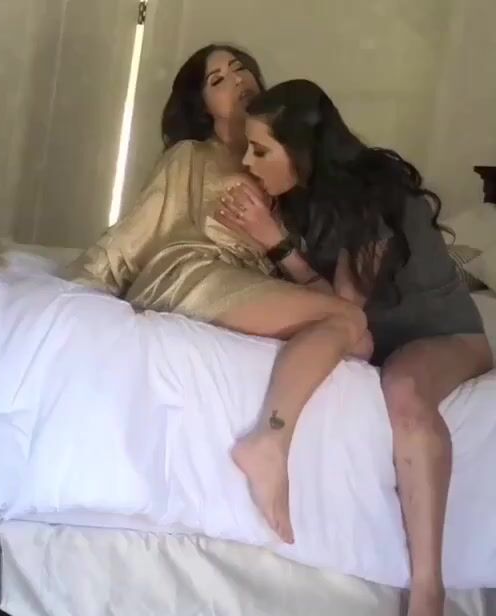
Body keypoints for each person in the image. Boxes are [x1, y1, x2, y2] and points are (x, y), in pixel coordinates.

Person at [66, 45, 372, 545]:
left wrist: (275, 236)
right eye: (217, 79)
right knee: (349, 323)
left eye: (241, 68)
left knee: (357, 338)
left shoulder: (283, 167)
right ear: (203, 105)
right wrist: (75, 291)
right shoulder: (190, 157)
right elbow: (133, 235)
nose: (237, 79)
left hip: (251, 283)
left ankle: (268, 443)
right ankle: (268, 444)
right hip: (189, 273)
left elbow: (310, 270)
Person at [217, 78, 493, 616]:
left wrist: (275, 242)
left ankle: (429, 589)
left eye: (260, 150)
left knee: (405, 390)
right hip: (378, 336)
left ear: (300, 150)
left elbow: (344, 308)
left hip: (442, 336)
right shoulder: (301, 196)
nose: (248, 162)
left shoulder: (375, 194)